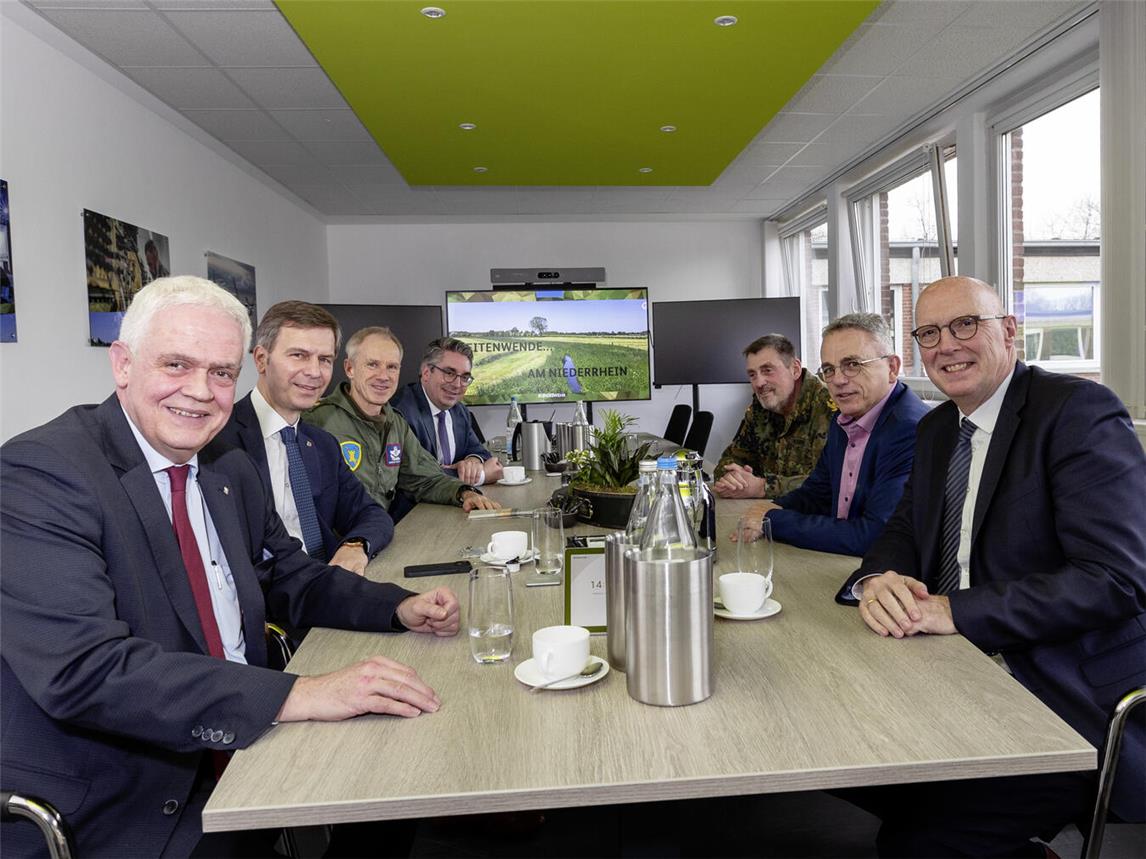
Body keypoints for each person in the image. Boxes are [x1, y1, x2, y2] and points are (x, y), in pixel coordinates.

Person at [0, 277, 460, 858]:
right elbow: (88, 671)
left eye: (220, 373)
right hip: (129, 799)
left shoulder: (226, 466)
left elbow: (293, 577)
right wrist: (297, 696)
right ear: (122, 364)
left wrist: (396, 606)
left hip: (240, 749)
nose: (200, 391)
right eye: (176, 364)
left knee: (397, 783)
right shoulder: (42, 473)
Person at [841, 276, 1146, 856]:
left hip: (1062, 697)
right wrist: (878, 579)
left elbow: (1114, 581)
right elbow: (902, 531)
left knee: (922, 840)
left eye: (965, 325)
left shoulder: (1078, 413)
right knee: (849, 760)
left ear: (1009, 331)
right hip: (957, 673)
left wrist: (954, 610)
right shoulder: (936, 428)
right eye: (929, 332)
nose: (947, 345)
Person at [215, 300, 393, 576]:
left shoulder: (323, 445)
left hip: (325, 587)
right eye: (298, 355)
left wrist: (356, 545)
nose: (314, 372)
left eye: (324, 360)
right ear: (261, 359)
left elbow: (372, 514)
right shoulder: (218, 442)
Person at [744, 313, 928, 557]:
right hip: (840, 559)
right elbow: (818, 493)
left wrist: (773, 520)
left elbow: (875, 535)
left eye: (853, 365)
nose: (838, 380)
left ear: (892, 368)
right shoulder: (844, 419)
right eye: (829, 369)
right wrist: (770, 508)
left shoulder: (911, 429)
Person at [304, 326, 500, 518]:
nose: (383, 376)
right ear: (350, 368)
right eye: (372, 364)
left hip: (379, 536)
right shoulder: (317, 421)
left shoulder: (395, 423)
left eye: (392, 367)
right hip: (341, 545)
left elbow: (425, 478)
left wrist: (465, 493)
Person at [714, 333, 834, 498]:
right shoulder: (759, 409)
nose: (759, 383)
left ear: (795, 369)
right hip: (769, 511)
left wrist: (763, 487)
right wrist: (733, 478)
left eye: (767, 370)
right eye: (752, 374)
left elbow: (834, 484)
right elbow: (730, 459)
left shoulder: (829, 408)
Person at [391, 336, 504, 487]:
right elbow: (415, 475)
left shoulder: (460, 411)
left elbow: (480, 452)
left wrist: (473, 462)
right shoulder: (402, 412)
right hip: (415, 508)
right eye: (449, 373)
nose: (457, 384)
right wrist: (481, 475)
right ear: (426, 373)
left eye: (465, 377)